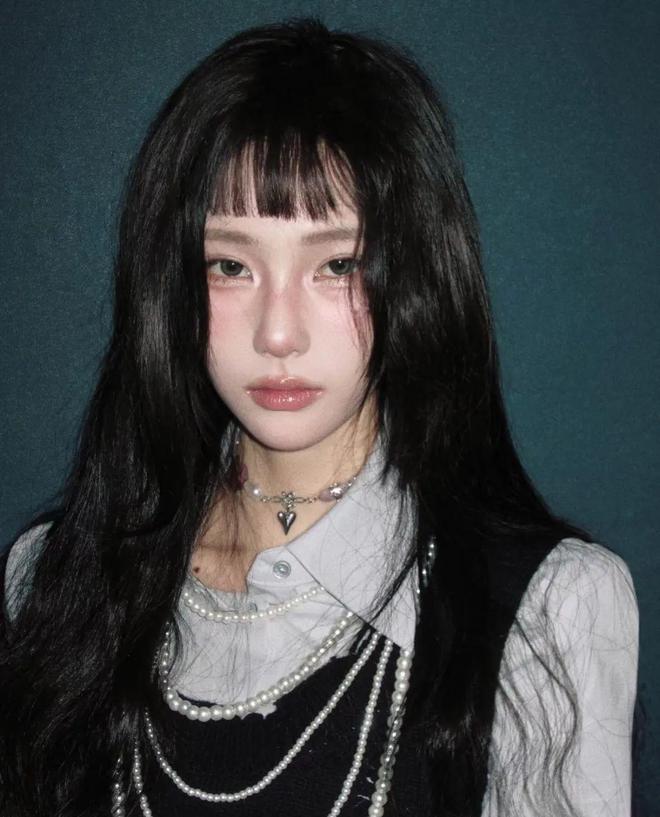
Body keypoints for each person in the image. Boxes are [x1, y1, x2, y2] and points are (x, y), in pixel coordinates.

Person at [0, 16, 639, 817]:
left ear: (415, 275)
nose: (279, 334)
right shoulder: (51, 580)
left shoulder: (548, 611)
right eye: (229, 265)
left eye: (338, 264)